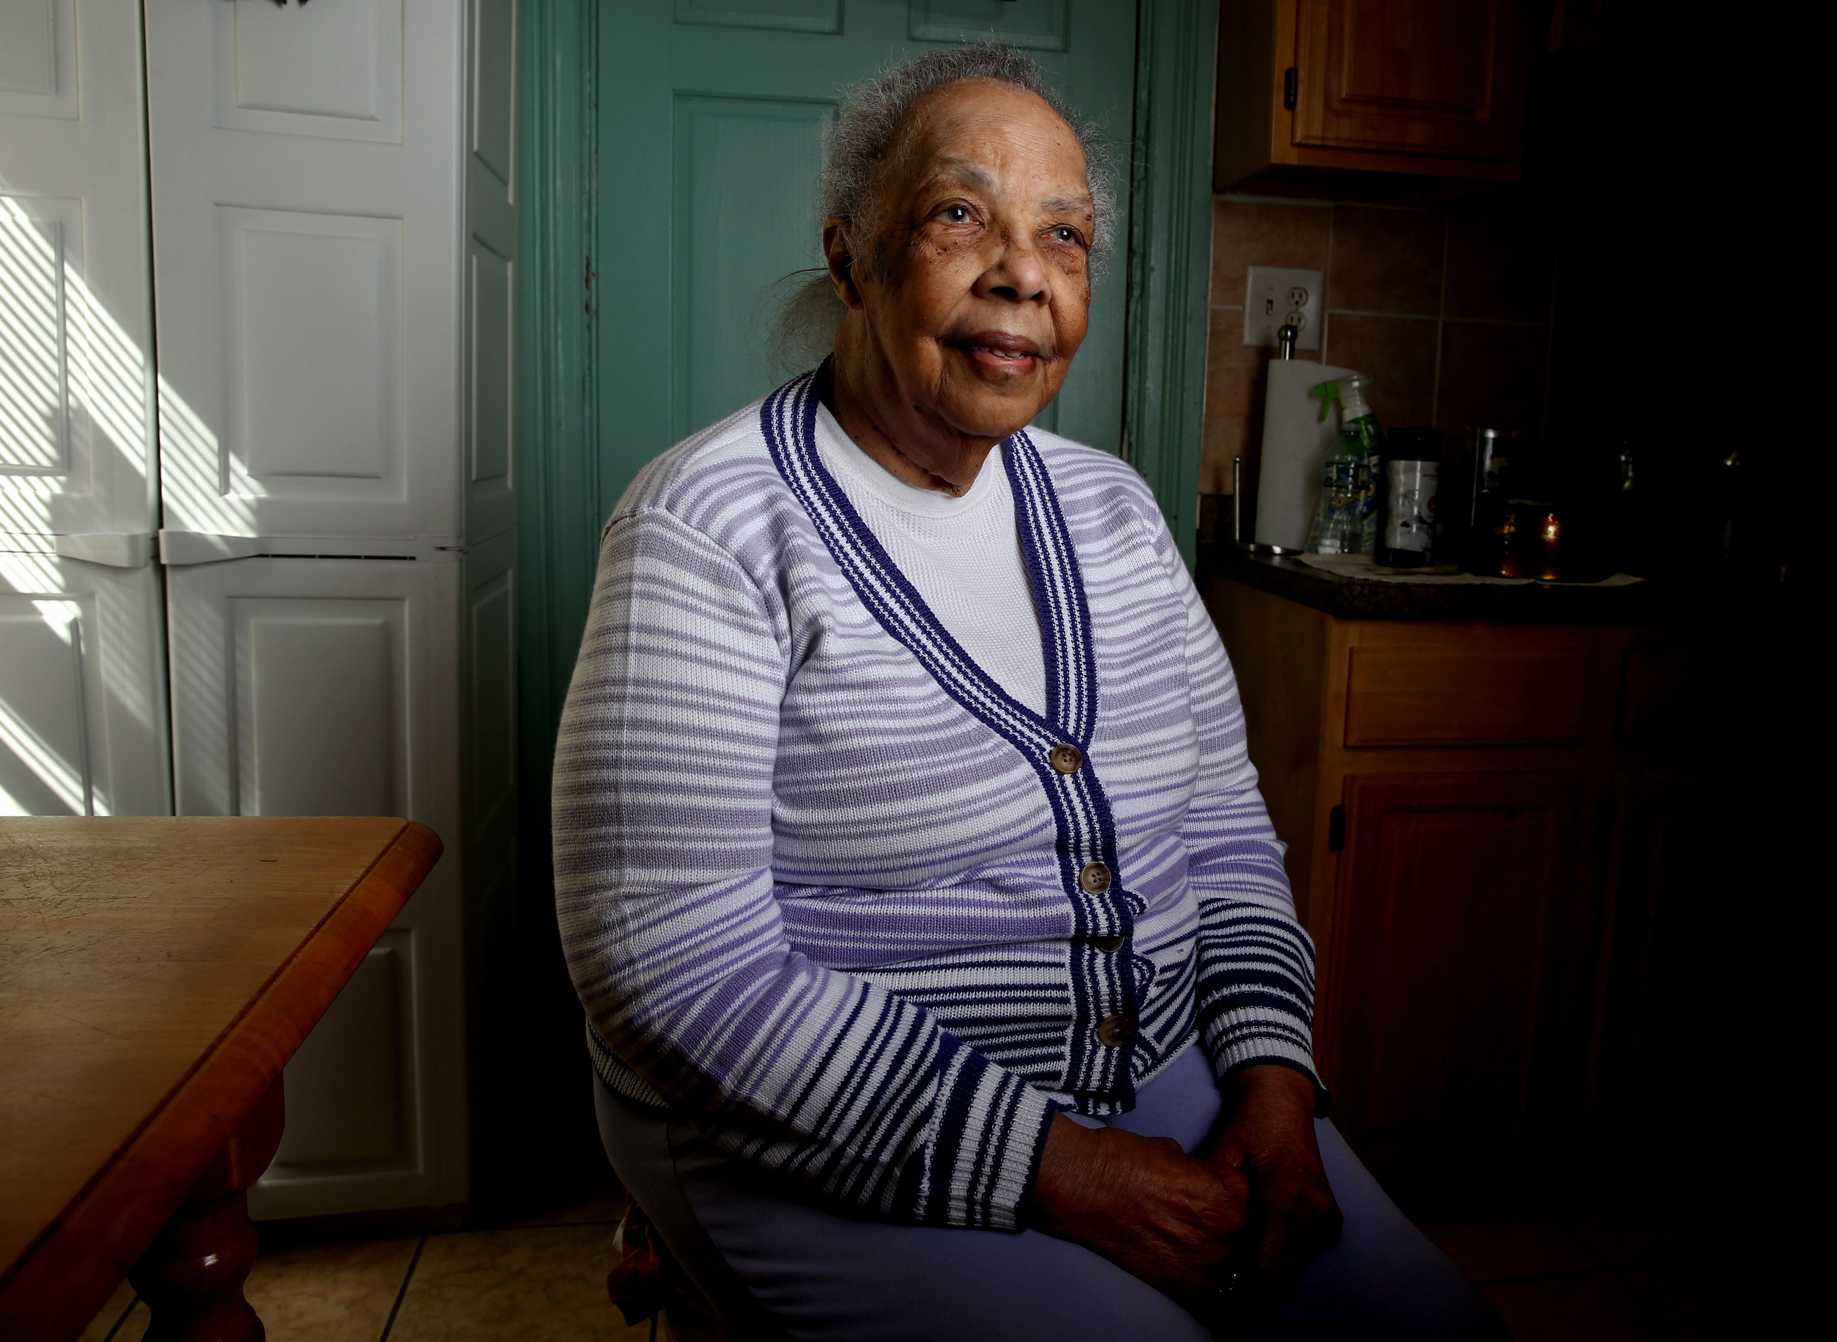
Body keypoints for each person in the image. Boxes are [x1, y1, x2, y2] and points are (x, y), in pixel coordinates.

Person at [555, 43, 1503, 1341]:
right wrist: (1065, 1173)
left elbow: (1221, 831)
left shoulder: (1112, 509)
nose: (1024, 271)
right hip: (792, 1123)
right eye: (961, 216)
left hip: (1157, 1075)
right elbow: (672, 969)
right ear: (851, 256)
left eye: (1065, 235)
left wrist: (1278, 1089)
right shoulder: (704, 526)